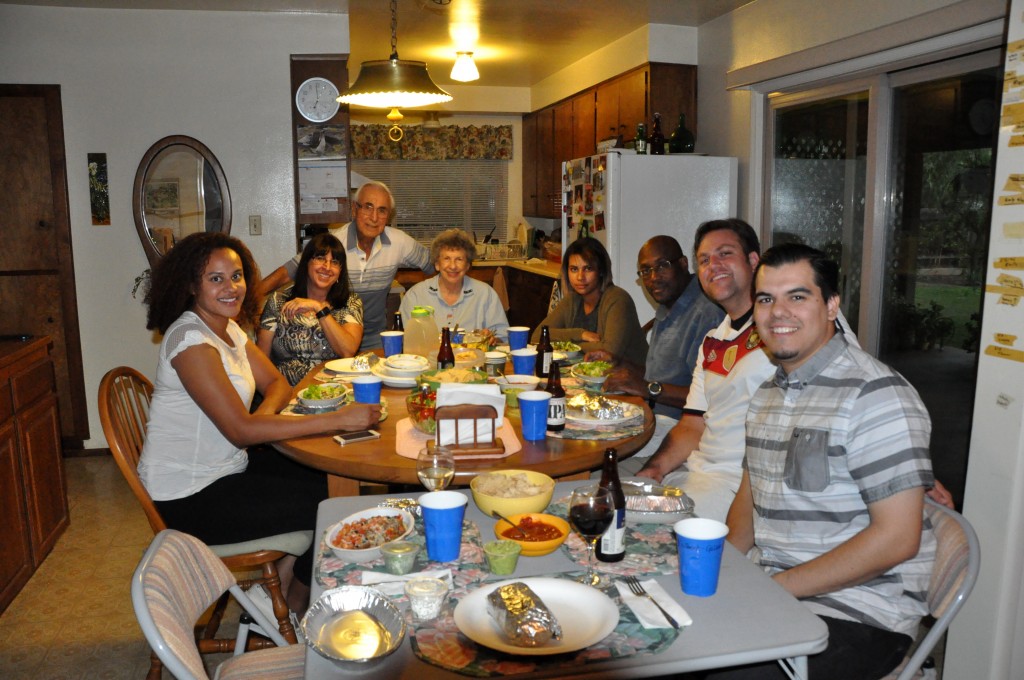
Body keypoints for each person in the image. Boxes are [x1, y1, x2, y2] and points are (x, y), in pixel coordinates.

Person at [708, 243, 937, 680]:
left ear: (831, 305)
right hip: (777, 592)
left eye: (798, 296)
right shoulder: (768, 396)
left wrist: (773, 590)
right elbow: (747, 509)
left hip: (860, 614)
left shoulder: (875, 395)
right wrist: (711, 574)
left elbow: (898, 539)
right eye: (766, 299)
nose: (779, 313)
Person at [137, 232, 380, 615]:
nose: (231, 287)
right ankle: (286, 605)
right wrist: (335, 420)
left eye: (236, 276)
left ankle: (273, 593)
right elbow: (239, 431)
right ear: (190, 285)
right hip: (190, 495)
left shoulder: (227, 327)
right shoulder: (190, 340)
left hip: (228, 468)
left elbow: (276, 384)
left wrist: (256, 424)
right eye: (215, 279)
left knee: (331, 482)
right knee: (335, 505)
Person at [258, 180, 432, 351]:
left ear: (389, 216)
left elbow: (435, 266)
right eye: (368, 207)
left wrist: (406, 280)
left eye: (382, 210)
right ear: (354, 209)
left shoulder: (399, 242)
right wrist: (247, 302)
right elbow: (286, 273)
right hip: (334, 337)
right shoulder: (334, 243)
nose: (374, 217)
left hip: (375, 339)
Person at [257, 232, 363, 385]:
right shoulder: (278, 301)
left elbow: (347, 350)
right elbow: (261, 362)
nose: (327, 267)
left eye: (334, 262)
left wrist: (318, 308)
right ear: (306, 263)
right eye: (320, 259)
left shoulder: (350, 302)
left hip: (334, 390)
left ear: (340, 271)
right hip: (286, 392)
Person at [532, 237, 648, 366]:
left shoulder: (618, 299)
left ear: (601, 271)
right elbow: (537, 336)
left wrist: (570, 346)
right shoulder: (572, 299)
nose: (580, 277)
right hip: (589, 375)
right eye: (574, 269)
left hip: (630, 379)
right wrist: (580, 334)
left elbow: (608, 351)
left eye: (588, 269)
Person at [399, 228, 509, 341]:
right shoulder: (415, 295)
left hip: (473, 357)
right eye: (446, 258)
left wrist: (492, 338)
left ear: (467, 265)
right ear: (437, 264)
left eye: (459, 259)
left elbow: (502, 337)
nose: (453, 266)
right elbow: (405, 339)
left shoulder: (486, 294)